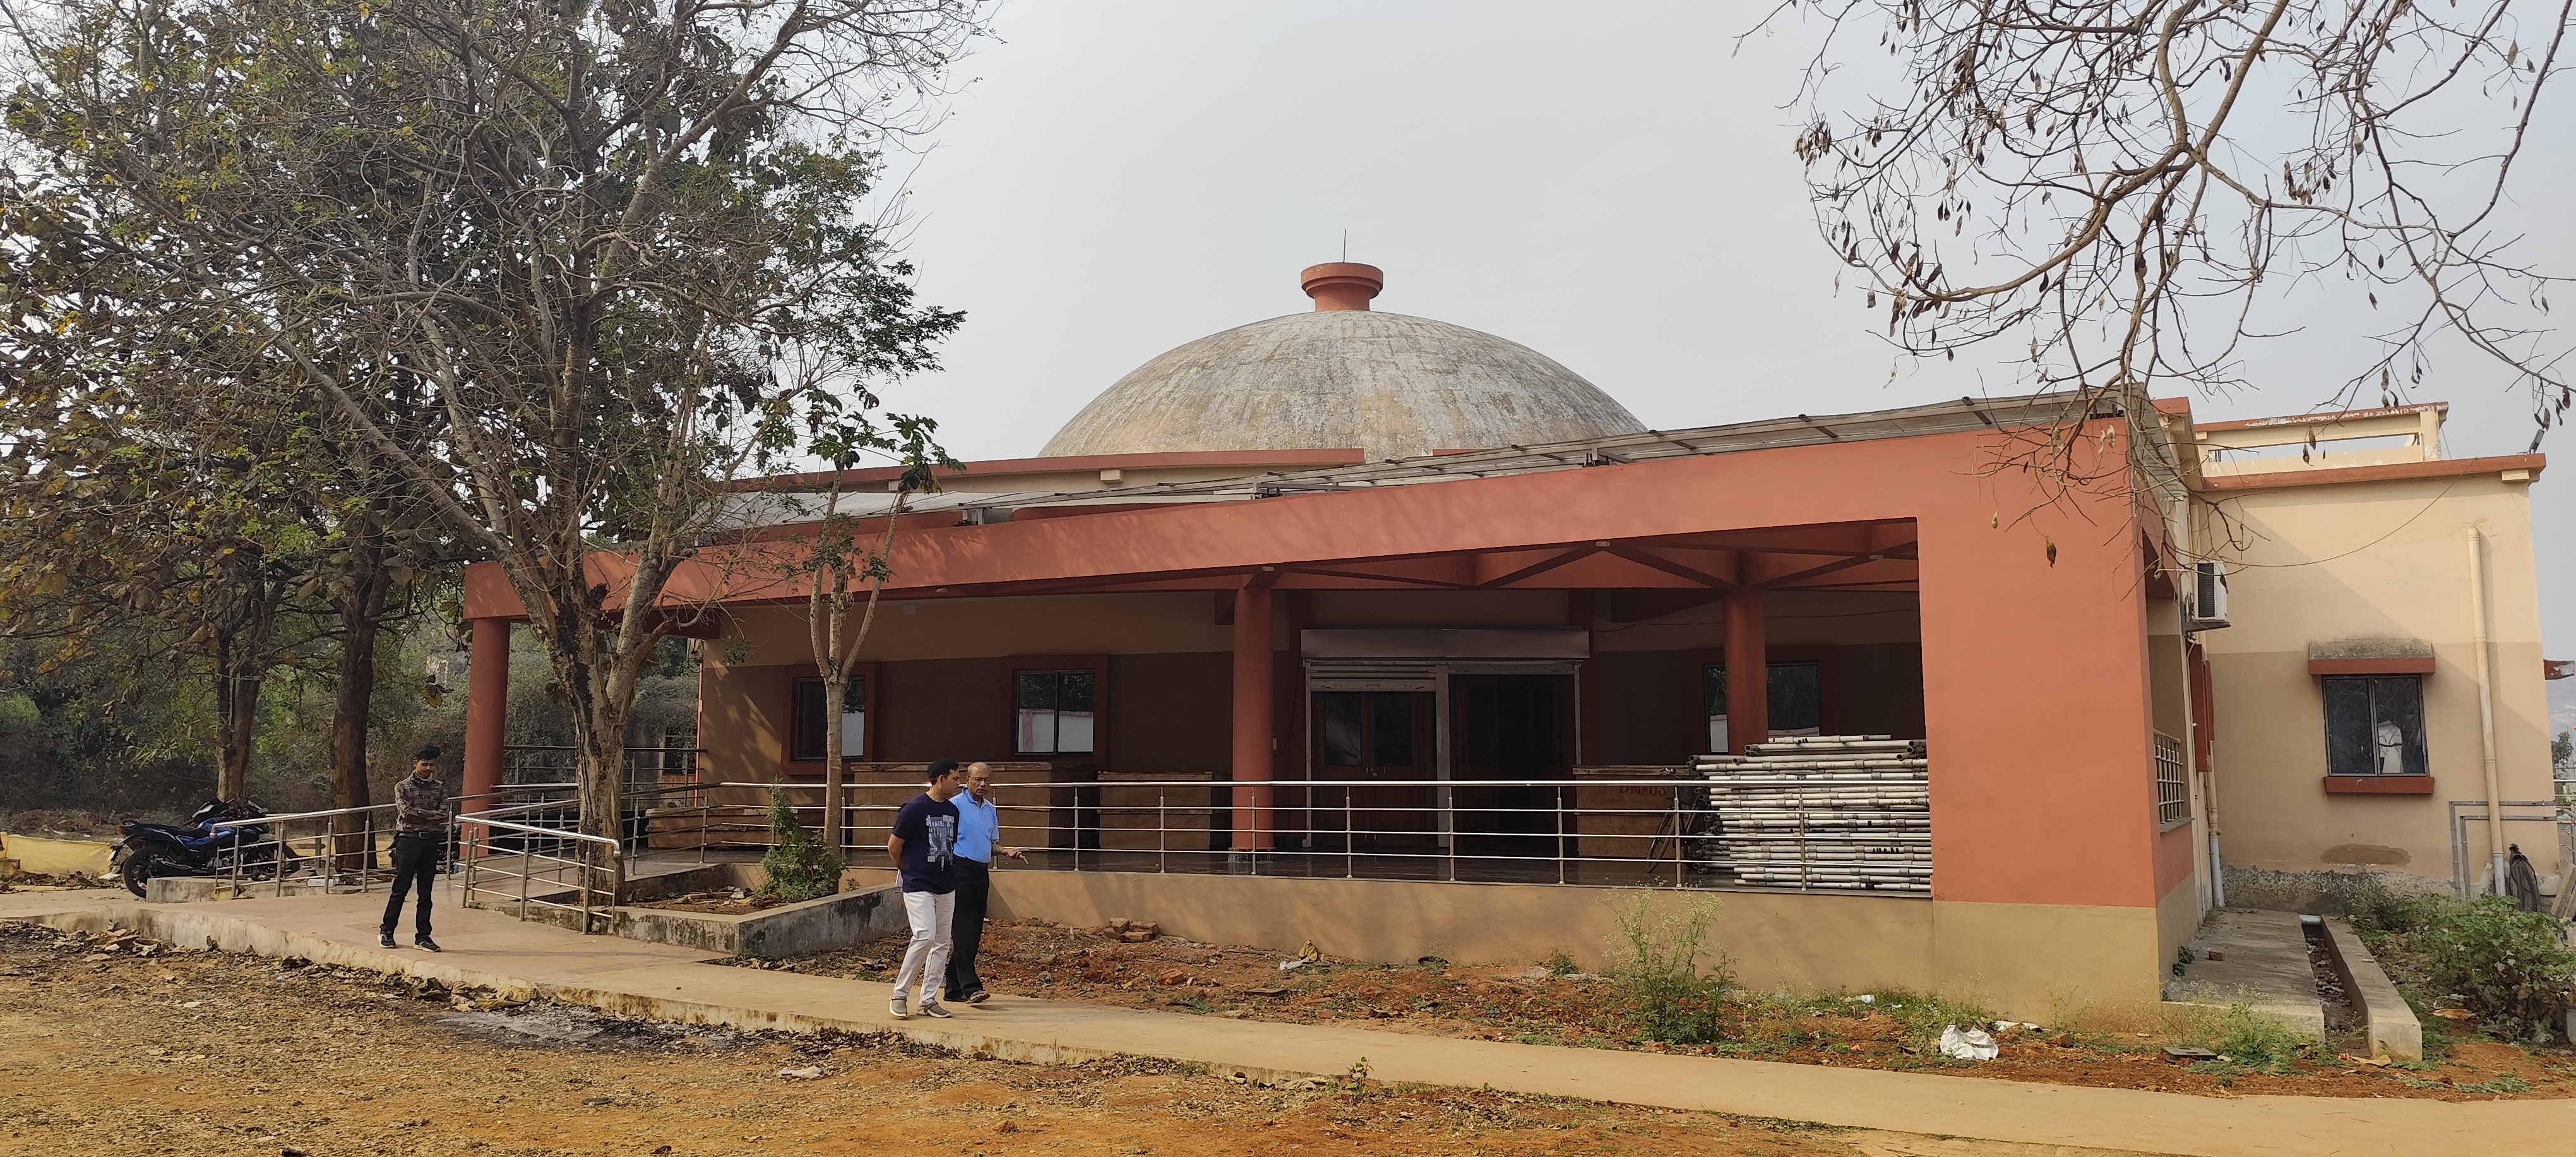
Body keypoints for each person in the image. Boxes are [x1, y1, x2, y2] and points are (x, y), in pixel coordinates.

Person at [886, 759, 966, 1019]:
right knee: (925, 936)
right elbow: (894, 846)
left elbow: (950, 845)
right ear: (941, 779)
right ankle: (899, 994)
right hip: (919, 884)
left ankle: (928, 1000)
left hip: (946, 884)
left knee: (942, 942)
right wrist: (908, 870)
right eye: (955, 778)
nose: (959, 783)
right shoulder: (914, 809)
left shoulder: (953, 811)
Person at [945, 761, 1027, 1004]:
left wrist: (1006, 851)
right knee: (963, 929)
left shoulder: (990, 809)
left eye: (987, 780)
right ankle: (971, 987)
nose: (982, 784)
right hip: (960, 869)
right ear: (967, 781)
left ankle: (953, 988)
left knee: (974, 929)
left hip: (981, 872)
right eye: (977, 779)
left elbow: (991, 844)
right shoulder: (954, 806)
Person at [381, 746, 448, 952]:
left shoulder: (440, 788)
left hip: (431, 842)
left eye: (432, 765)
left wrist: (423, 815)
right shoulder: (402, 787)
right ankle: (387, 930)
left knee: (426, 892)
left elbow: (444, 813)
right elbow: (406, 812)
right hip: (409, 841)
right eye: (424, 764)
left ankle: (423, 936)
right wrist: (431, 816)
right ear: (415, 764)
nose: (428, 768)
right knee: (401, 888)